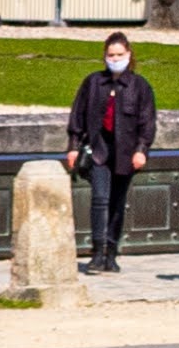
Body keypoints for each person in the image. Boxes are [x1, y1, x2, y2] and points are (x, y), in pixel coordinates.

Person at [64, 31, 157, 272]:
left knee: (117, 202)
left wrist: (141, 150)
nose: (115, 59)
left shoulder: (139, 86)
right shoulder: (93, 82)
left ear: (129, 54)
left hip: (125, 152)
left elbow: (147, 122)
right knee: (100, 199)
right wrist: (74, 147)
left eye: (119, 54)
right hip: (98, 150)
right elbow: (78, 115)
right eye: (110, 55)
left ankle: (111, 253)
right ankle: (97, 251)